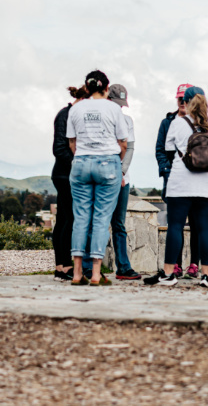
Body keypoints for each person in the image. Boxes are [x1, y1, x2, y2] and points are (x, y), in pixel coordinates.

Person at [145, 86, 208, 288]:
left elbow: (169, 149)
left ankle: (169, 273)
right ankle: (206, 275)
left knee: (176, 227)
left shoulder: (178, 123)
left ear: (187, 103)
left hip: (181, 184)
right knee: (206, 228)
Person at [66, 70, 128, 285]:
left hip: (81, 162)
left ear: (87, 86)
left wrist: (83, 156)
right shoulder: (113, 108)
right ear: (106, 88)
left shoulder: (76, 108)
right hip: (108, 163)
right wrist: (117, 162)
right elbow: (123, 143)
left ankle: (76, 273)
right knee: (101, 218)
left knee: (81, 217)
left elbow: (72, 142)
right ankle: (95, 274)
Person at [154, 83, 201, 279]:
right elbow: (160, 150)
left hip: (196, 180)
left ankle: (194, 265)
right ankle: (176, 265)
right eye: (179, 99)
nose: (182, 102)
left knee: (197, 225)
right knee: (176, 225)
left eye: (185, 99)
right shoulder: (167, 123)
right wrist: (167, 171)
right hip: (174, 180)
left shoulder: (202, 122)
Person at [50, 85, 89, 281]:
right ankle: (64, 266)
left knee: (65, 220)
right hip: (65, 175)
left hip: (68, 174)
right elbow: (59, 148)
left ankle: (61, 266)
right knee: (69, 220)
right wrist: (79, 165)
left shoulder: (72, 115)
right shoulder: (65, 115)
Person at [107, 83, 141, 280]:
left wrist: (121, 172)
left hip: (122, 179)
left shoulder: (127, 120)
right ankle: (88, 266)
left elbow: (130, 148)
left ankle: (123, 266)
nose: (119, 108)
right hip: (104, 177)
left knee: (118, 224)